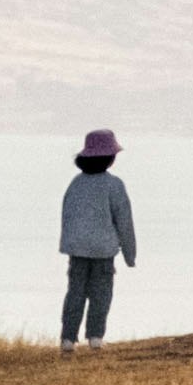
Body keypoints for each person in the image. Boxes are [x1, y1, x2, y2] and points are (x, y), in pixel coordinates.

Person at [54, 127, 135, 345]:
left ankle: (68, 339)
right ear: (110, 158)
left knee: (75, 292)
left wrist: (69, 243)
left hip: (77, 249)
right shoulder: (114, 185)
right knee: (101, 292)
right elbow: (124, 221)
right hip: (103, 250)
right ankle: (95, 337)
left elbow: (67, 215)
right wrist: (130, 254)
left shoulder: (76, 183)